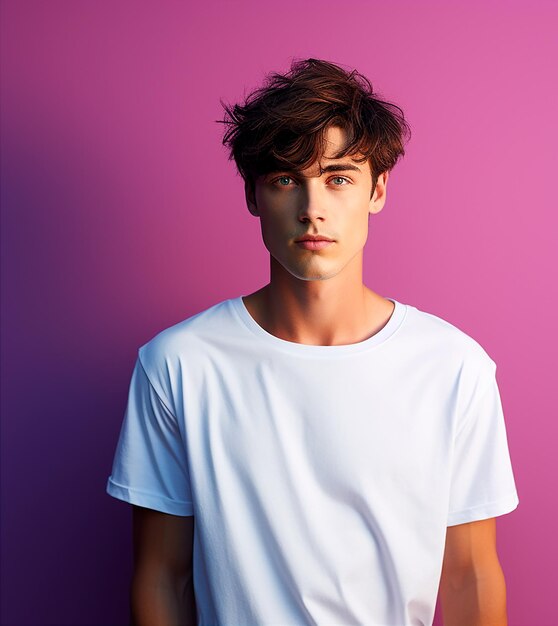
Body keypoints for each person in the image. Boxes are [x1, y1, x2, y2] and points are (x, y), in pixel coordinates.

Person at [106, 58, 519, 626]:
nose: (312, 209)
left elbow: (471, 576)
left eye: (338, 178)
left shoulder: (452, 367)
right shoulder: (178, 364)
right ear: (254, 197)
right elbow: (161, 574)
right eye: (285, 180)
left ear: (377, 190)